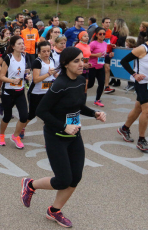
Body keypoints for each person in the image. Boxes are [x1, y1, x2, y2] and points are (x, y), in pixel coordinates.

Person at [21, 47, 106, 228]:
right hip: (56, 136)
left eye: (82, 60)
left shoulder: (81, 80)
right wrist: (63, 126)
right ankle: (30, 184)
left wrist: (94, 113)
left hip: (74, 135)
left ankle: (54, 210)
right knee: (63, 180)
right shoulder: (59, 85)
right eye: (76, 61)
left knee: (75, 178)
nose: (81, 64)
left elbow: (79, 106)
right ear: (66, 64)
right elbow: (41, 111)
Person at [0, 36, 32, 148]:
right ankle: (1, 135)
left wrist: (27, 75)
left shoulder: (24, 56)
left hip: (20, 91)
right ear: (13, 46)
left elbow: (23, 72)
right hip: (8, 92)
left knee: (24, 116)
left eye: (23, 43)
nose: (22, 45)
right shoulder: (8, 57)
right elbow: (2, 76)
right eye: (19, 44)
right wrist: (12, 80)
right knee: (7, 116)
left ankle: (15, 136)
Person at [118, 42, 148, 151]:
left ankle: (124, 129)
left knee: (138, 108)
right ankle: (141, 140)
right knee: (147, 111)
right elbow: (123, 61)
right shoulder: (142, 49)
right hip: (142, 83)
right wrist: (135, 74)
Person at [24, 41, 57, 135]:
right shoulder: (37, 62)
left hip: (48, 92)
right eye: (44, 51)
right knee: (32, 114)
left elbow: (54, 75)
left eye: (48, 51)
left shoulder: (52, 60)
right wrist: (48, 74)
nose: (46, 53)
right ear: (39, 52)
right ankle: (22, 127)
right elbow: (36, 80)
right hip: (36, 93)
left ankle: (49, 137)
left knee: (49, 115)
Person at [88, 27, 108, 107]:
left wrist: (108, 55)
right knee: (90, 84)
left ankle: (97, 100)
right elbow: (87, 54)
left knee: (101, 83)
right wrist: (95, 55)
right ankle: (79, 91)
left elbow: (103, 54)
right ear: (96, 35)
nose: (102, 35)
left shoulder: (105, 43)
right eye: (100, 34)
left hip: (100, 66)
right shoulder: (93, 43)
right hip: (92, 66)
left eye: (104, 34)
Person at [0, 29, 11, 97]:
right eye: (7, 33)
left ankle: (5, 91)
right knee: (0, 80)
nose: (8, 35)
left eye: (9, 33)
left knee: (7, 79)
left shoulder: (10, 43)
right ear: (3, 34)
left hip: (7, 64)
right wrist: (2, 55)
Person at [75, 31, 92, 98]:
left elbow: (87, 56)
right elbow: (75, 58)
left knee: (85, 87)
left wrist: (88, 63)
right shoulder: (78, 46)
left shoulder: (88, 46)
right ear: (80, 38)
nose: (87, 37)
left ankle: (83, 103)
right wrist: (83, 64)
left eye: (87, 36)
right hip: (79, 67)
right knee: (79, 86)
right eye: (84, 36)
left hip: (86, 68)